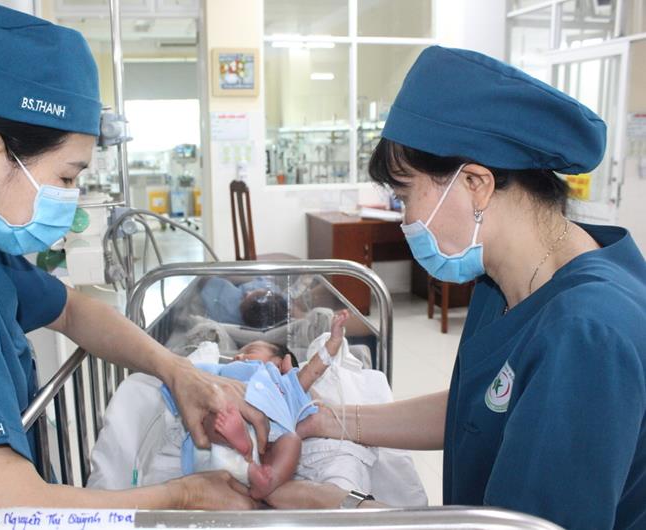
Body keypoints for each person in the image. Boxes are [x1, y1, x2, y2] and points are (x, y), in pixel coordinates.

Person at [0, 3, 267, 528]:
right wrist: (181, 497)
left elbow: (72, 311)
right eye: (67, 177)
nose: (71, 197)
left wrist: (177, 371)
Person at [264, 46, 646, 529]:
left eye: (405, 195)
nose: (405, 219)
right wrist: (332, 419)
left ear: (476, 184)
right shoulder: (502, 283)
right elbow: (479, 408)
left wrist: (340, 506)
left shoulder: (587, 335)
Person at [161, 311, 349, 500]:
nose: (238, 355)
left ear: (279, 363)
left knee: (292, 441)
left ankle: (269, 479)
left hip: (266, 447)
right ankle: (242, 447)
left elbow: (313, 370)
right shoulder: (224, 371)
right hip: (221, 437)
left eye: (249, 351)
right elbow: (191, 382)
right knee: (213, 412)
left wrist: (334, 342)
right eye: (239, 353)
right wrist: (174, 383)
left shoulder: (287, 385)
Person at [200, 276, 288, 328]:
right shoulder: (279, 302)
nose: (247, 293)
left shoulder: (227, 308)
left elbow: (203, 280)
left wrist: (234, 277)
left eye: (244, 298)